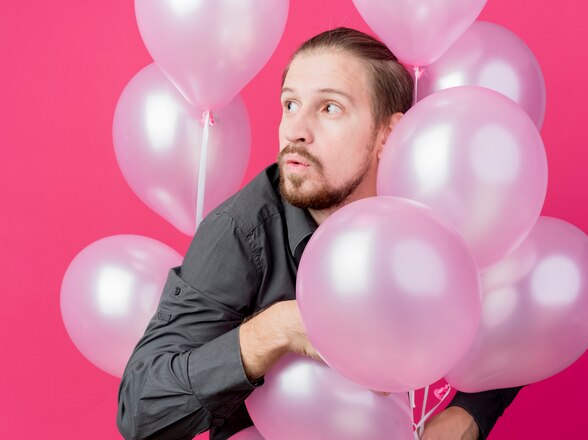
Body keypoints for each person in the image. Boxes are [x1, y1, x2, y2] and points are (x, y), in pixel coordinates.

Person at [117, 27, 521, 440]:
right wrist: (276, 329)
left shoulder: (437, 201)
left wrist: (468, 413)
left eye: (329, 108)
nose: (295, 130)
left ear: (389, 134)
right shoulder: (240, 232)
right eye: (290, 104)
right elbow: (139, 411)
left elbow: (517, 305)